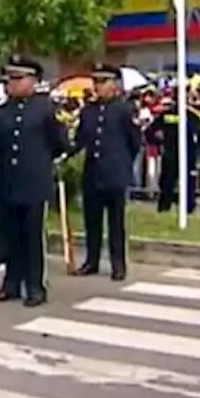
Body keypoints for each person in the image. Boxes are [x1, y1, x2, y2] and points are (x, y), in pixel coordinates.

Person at [0, 54, 68, 306]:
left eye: (18, 79)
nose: (12, 84)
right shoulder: (0, 112)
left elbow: (60, 144)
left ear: (33, 80)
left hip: (34, 182)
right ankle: (12, 284)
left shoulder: (45, 109)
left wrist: (42, 163)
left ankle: (35, 286)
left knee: (32, 237)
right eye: (9, 79)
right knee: (10, 235)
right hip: (8, 182)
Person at [69, 63, 141, 281]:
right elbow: (80, 140)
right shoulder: (88, 111)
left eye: (103, 82)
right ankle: (91, 261)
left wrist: (123, 164)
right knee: (92, 221)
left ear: (114, 85)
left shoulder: (124, 109)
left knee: (115, 223)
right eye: (96, 82)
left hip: (115, 172)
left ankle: (118, 264)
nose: (98, 87)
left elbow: (134, 142)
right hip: (93, 172)